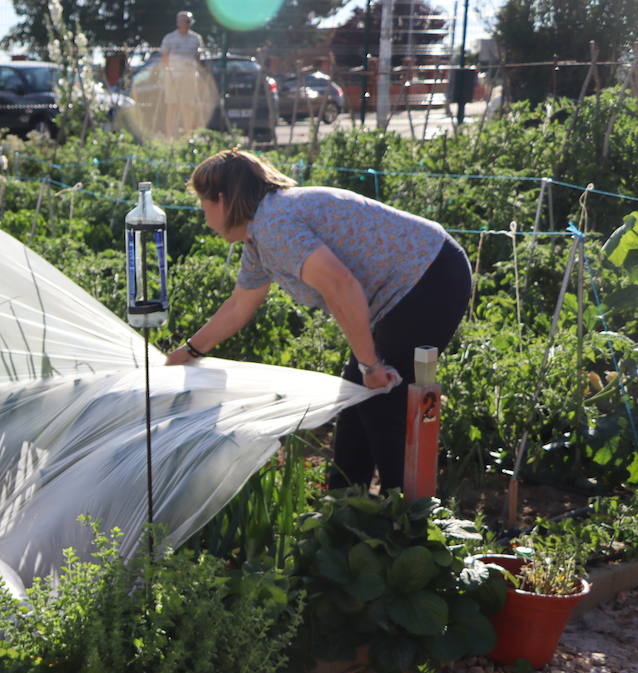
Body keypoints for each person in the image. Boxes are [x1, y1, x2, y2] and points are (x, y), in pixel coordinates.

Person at [165, 149, 472, 492]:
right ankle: (345, 505)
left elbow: (342, 286)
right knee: (357, 396)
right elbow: (239, 306)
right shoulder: (260, 238)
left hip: (429, 278)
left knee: (381, 397)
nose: (204, 218)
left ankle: (404, 517)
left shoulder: (274, 225)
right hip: (415, 282)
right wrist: (189, 351)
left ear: (221, 200)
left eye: (203, 206)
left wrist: (371, 365)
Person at [159, 11, 205, 136]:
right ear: (178, 22)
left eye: (189, 21)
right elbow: (164, 57)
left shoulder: (196, 38)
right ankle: (170, 137)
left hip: (189, 77)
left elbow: (198, 58)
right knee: (172, 106)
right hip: (173, 77)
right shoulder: (169, 38)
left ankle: (188, 136)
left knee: (188, 106)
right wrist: (168, 71)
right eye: (184, 21)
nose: (187, 23)